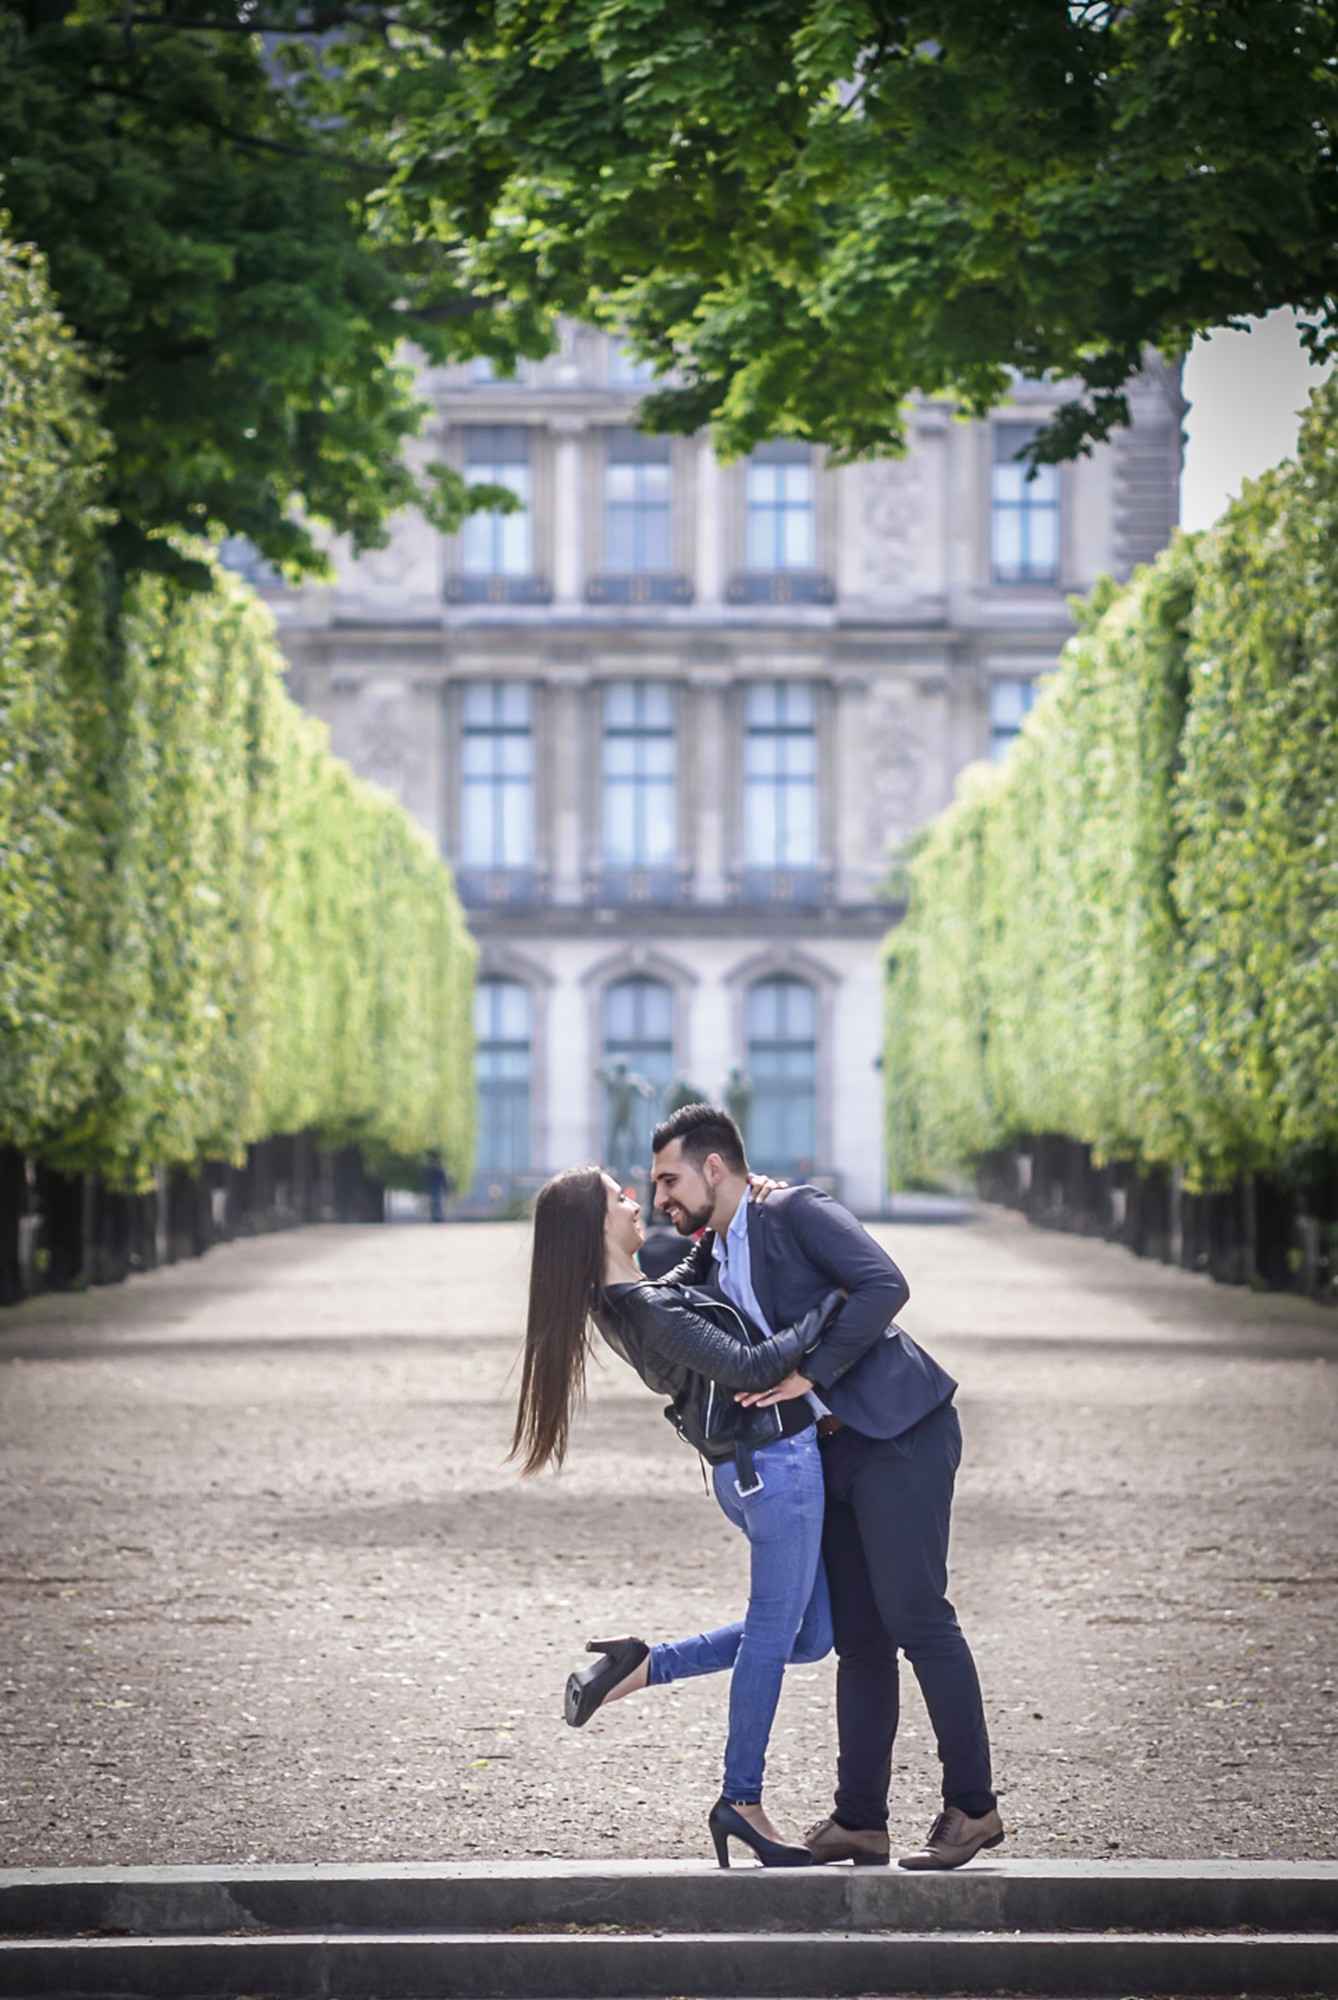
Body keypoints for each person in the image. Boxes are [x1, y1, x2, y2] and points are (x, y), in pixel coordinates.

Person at [650, 1103, 1003, 1872]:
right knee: (860, 1642)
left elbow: (885, 1284)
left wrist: (812, 1373)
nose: (660, 1197)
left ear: (715, 1167)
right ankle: (860, 1821)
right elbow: (646, 1295)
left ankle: (974, 1808)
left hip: (899, 1432)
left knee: (918, 1618)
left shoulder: (795, 1210)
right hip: (826, 1453)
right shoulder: (712, 1252)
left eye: (670, 1180)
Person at [511, 1165, 837, 1867]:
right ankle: (741, 1801)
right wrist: (835, 1299)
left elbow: (689, 1276)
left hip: (754, 1469)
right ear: (595, 1224)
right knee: (775, 1634)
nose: (636, 1203)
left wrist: (723, 1216)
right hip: (772, 1466)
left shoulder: (630, 1295)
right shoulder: (642, 1307)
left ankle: (644, 1665)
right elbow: (752, 1366)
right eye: (618, 1197)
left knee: (810, 1637)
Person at [424, 1149, 451, 1224]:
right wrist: (446, 1189)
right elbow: (444, 1181)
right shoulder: (438, 1170)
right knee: (437, 1204)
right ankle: (437, 1217)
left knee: (436, 1204)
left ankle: (437, 1217)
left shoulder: (434, 1170)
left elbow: (443, 1181)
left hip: (436, 1189)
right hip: (436, 1189)